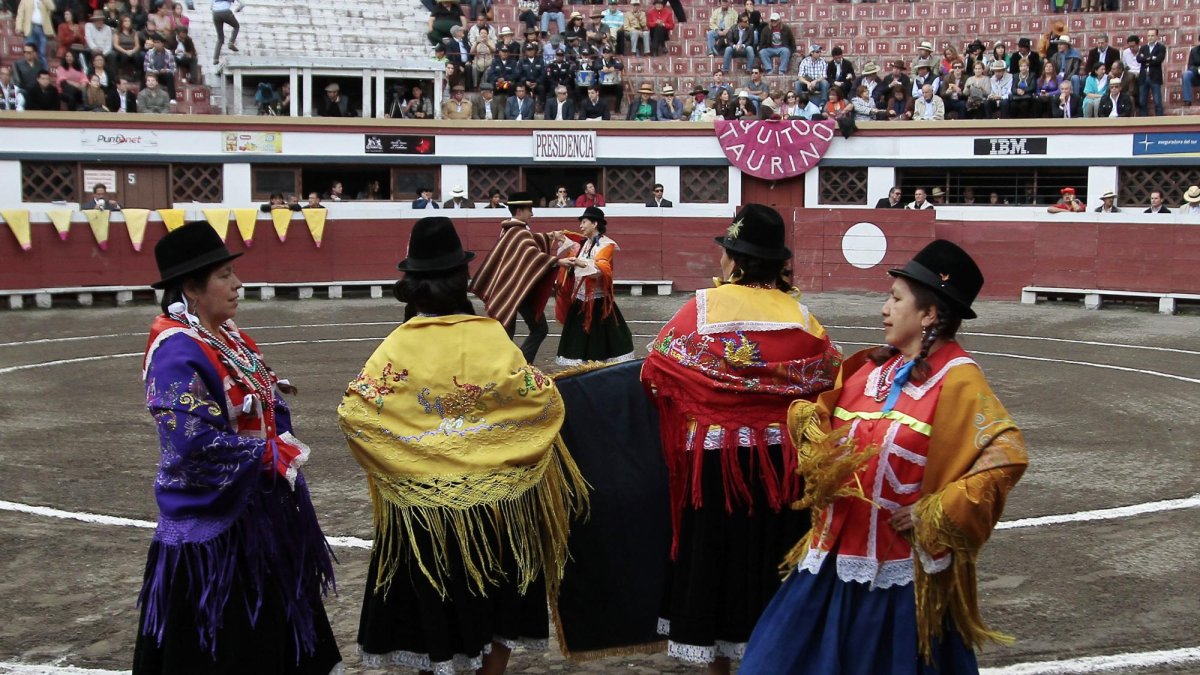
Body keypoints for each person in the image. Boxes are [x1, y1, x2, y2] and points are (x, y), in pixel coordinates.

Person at [740, 239, 1028, 675]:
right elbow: (821, 422)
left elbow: (1006, 453)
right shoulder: (872, 368)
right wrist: (812, 436)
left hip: (900, 576)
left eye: (896, 299)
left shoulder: (960, 381)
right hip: (830, 561)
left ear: (929, 314)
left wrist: (937, 510)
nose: (884, 309)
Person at [338, 216, 587, 675]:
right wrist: (488, 446)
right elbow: (542, 400)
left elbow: (355, 414)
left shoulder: (396, 346)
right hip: (497, 509)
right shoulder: (491, 335)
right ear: (462, 277)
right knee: (498, 605)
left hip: (423, 512)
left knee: (430, 609)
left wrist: (411, 461)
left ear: (412, 284)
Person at [641, 204, 841, 675]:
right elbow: (830, 379)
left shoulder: (702, 309)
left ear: (734, 260)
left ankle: (718, 668)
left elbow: (655, 374)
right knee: (772, 558)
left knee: (716, 558)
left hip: (715, 461)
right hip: (782, 463)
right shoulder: (803, 318)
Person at [134, 222, 341, 674]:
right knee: (228, 645)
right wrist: (267, 456)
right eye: (225, 275)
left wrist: (277, 438)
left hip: (260, 511)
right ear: (191, 288)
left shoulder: (228, 335)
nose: (238, 284)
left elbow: (265, 399)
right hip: (217, 529)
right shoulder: (175, 351)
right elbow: (191, 443)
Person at [469, 191, 558, 364]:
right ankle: (517, 366)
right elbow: (531, 253)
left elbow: (529, 243)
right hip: (520, 289)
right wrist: (558, 261)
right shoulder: (518, 232)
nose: (532, 214)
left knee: (510, 333)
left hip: (511, 289)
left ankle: (512, 366)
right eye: (529, 210)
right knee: (535, 330)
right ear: (519, 211)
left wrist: (551, 236)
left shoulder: (510, 229)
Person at [552, 207, 635, 366]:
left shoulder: (607, 244)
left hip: (598, 300)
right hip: (580, 298)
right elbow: (574, 248)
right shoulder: (586, 242)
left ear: (595, 223)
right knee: (579, 335)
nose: (581, 226)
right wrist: (561, 238)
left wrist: (579, 263)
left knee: (600, 338)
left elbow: (600, 270)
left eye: (584, 222)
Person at [1136, 28, 1166, 116]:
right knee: (1142, 101)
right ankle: (1143, 121)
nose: (1150, 37)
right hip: (1143, 77)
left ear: (1157, 36)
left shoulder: (1161, 47)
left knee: (1157, 101)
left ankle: (1159, 120)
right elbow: (1138, 59)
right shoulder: (1143, 48)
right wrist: (1151, 58)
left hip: (1155, 77)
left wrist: (1145, 58)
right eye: (1149, 36)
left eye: (1152, 36)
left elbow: (1159, 60)